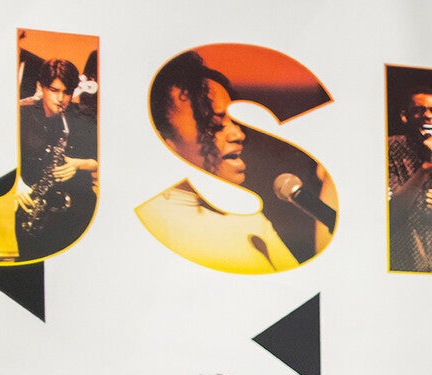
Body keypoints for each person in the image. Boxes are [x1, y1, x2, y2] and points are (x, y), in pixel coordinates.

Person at [136, 51, 335, 274]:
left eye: (235, 120)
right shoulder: (145, 223)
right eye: (213, 123)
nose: (237, 134)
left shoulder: (247, 215)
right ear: (163, 141)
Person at [15, 58, 98, 262]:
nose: (61, 98)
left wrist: (79, 164)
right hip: (31, 211)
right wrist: (16, 184)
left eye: (67, 92)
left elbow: (103, 160)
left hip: (75, 212)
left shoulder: (82, 118)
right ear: (40, 87)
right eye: (54, 90)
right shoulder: (20, 114)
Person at [387, 88, 432, 273]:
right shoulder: (390, 148)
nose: (428, 116)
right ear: (404, 116)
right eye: (419, 110)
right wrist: (425, 168)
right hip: (404, 263)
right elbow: (391, 212)